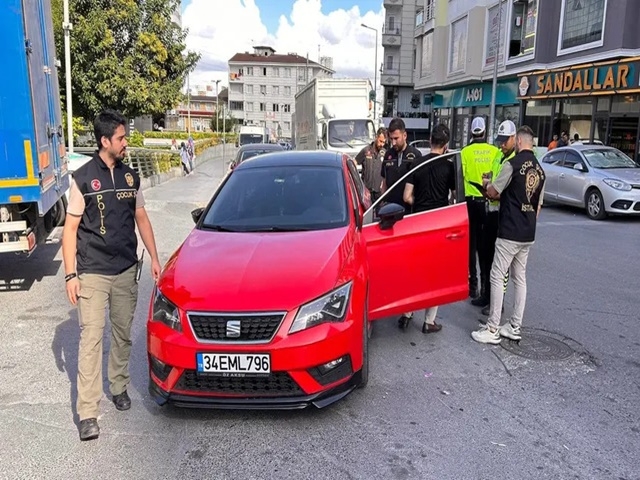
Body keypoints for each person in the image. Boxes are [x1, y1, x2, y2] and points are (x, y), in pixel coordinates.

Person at [62, 109, 162, 441]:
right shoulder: (83, 178)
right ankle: (88, 412)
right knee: (91, 340)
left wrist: (155, 259)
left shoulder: (131, 176)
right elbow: (70, 229)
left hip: (124, 270)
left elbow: (143, 219)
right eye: (121, 138)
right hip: (92, 272)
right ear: (105, 141)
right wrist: (70, 275)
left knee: (122, 335)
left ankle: (118, 386)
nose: (125, 143)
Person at [471, 125, 546, 344]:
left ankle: (493, 328)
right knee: (519, 277)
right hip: (528, 230)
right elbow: (538, 207)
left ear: (519, 141)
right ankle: (514, 326)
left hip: (509, 230)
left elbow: (494, 192)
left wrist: (486, 184)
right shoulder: (540, 170)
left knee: (497, 274)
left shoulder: (511, 165)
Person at [402, 124, 455, 334]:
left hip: (418, 223)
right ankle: (429, 321)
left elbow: (406, 197)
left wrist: (419, 203)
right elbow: (454, 196)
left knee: (414, 271)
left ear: (430, 141)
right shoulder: (449, 167)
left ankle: (406, 314)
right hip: (439, 225)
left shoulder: (417, 164)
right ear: (446, 145)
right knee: (435, 275)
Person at [380, 117, 423, 329]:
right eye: (391, 138)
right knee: (391, 265)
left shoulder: (416, 156)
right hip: (389, 216)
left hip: (408, 216)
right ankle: (391, 302)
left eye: (396, 138)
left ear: (405, 135)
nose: (393, 142)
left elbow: (420, 187)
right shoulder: (387, 155)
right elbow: (383, 184)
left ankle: (407, 310)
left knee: (408, 266)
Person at [477, 120, 516, 316]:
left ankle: (497, 303)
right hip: (490, 211)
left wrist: (489, 188)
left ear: (513, 138)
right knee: (484, 254)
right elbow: (493, 177)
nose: (501, 145)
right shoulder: (500, 156)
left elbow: (505, 191)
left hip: (503, 213)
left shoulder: (515, 160)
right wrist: (487, 181)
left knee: (499, 262)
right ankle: (486, 294)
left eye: (504, 141)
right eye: (499, 141)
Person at [460, 117, 501, 302]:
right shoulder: (494, 151)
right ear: (485, 132)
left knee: (472, 245)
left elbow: (461, 179)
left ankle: (473, 286)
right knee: (486, 248)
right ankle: (486, 288)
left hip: (470, 203)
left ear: (471, 132)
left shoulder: (465, 152)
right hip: (489, 203)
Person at [355, 127, 387, 203]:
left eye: (384, 142)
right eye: (380, 141)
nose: (382, 144)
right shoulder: (366, 151)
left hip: (378, 193)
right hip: (366, 192)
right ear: (376, 137)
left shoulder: (385, 153)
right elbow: (354, 163)